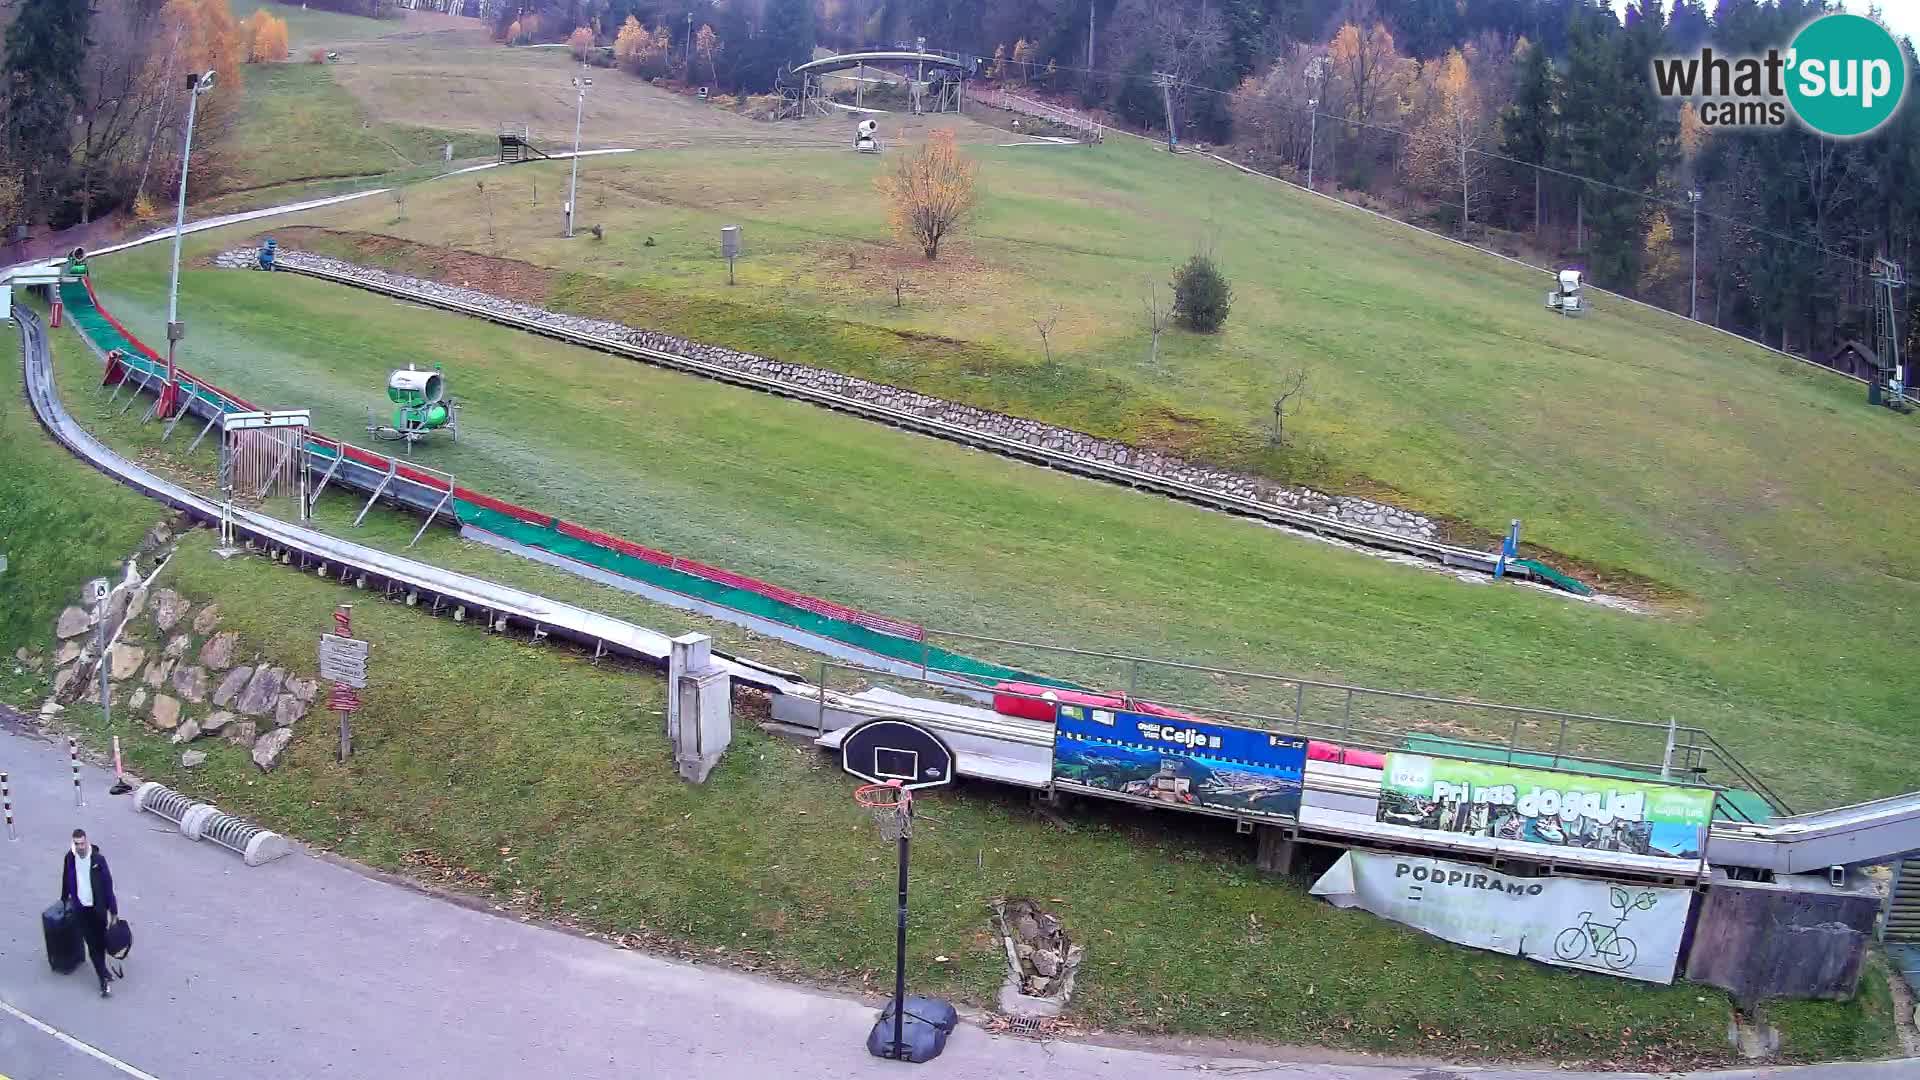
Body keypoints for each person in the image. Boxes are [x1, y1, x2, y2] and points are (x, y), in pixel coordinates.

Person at [60, 829, 120, 998]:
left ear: (87, 842)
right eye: (76, 843)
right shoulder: (69, 858)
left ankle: (103, 969)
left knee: (100, 943)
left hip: (98, 910)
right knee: (92, 946)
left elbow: (108, 886)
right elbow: (66, 878)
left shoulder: (98, 860)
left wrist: (113, 912)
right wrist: (64, 899)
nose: (79, 847)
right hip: (81, 910)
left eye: (82, 843)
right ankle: (103, 980)